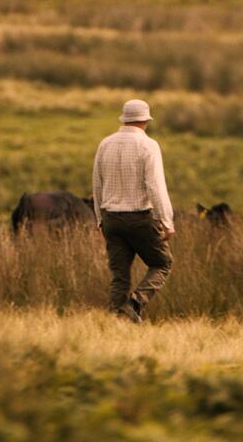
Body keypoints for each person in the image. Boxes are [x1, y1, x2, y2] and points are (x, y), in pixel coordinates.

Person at [92, 98, 174, 323]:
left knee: (120, 276)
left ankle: (115, 322)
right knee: (162, 263)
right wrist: (167, 220)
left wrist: (100, 220)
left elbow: (97, 185)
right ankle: (135, 304)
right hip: (139, 218)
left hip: (111, 218)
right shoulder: (148, 145)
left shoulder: (105, 144)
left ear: (124, 119)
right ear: (146, 120)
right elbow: (155, 186)